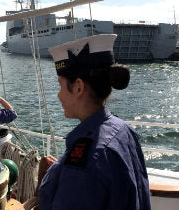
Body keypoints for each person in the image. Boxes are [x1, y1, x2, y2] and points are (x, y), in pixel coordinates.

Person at [37, 34, 150, 210]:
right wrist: (61, 168)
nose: (58, 95)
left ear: (78, 87)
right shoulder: (124, 129)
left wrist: (71, 173)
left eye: (61, 86)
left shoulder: (85, 161)